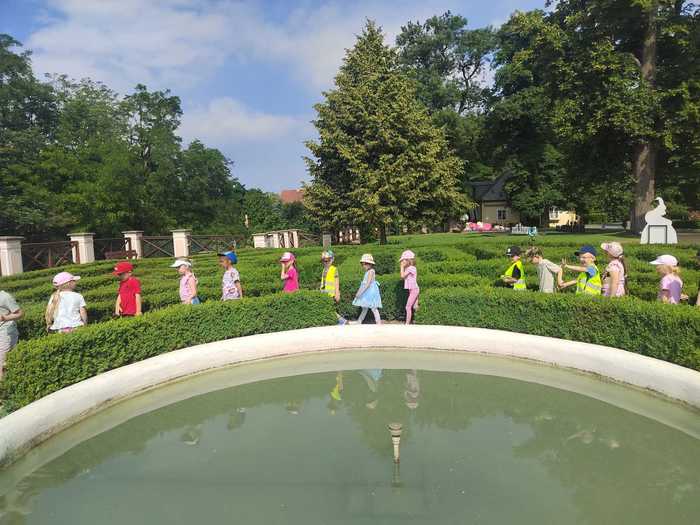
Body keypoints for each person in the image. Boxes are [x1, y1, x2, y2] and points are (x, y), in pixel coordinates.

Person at [352, 254, 382, 324]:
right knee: (365, 307)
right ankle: (359, 321)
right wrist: (359, 292)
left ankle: (378, 322)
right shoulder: (368, 271)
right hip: (367, 291)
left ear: (369, 264)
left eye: (364, 264)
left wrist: (360, 292)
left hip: (370, 292)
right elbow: (364, 284)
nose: (363, 266)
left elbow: (368, 284)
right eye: (362, 264)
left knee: (373, 307)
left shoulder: (371, 271)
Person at [0, 290, 23, 380]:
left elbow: (20, 313)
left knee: (1, 364)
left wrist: (5, 318)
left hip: (5, 332)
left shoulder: (5, 297)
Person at [320, 250, 346, 325]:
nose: (326, 262)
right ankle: (339, 322)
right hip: (324, 292)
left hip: (331, 293)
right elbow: (323, 281)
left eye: (328, 260)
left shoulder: (334, 269)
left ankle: (342, 321)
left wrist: (337, 293)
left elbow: (336, 281)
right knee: (328, 308)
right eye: (324, 261)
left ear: (332, 260)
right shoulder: (324, 269)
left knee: (330, 309)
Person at [399, 250, 419, 324]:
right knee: (414, 307)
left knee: (408, 307)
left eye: (403, 260)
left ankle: (407, 324)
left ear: (408, 260)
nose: (402, 262)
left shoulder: (411, 268)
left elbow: (402, 276)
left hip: (414, 290)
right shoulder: (408, 268)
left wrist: (401, 267)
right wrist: (403, 267)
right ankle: (417, 320)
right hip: (413, 290)